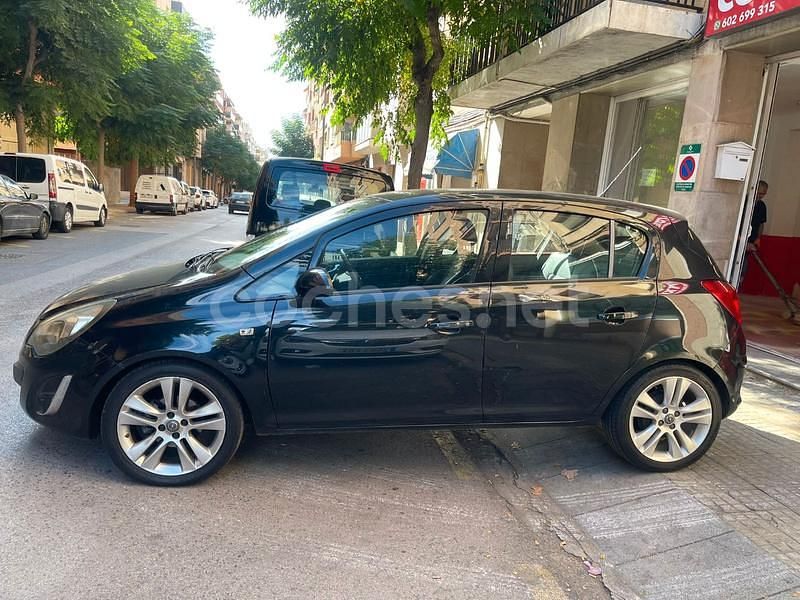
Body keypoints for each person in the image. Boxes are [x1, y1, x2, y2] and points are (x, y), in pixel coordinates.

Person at [740, 180, 768, 286]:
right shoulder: (744, 202)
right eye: (760, 193)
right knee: (739, 266)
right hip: (739, 241)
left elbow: (761, 224)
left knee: (744, 266)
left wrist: (758, 238)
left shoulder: (762, 206)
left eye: (764, 194)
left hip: (752, 241)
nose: (761, 196)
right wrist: (742, 241)